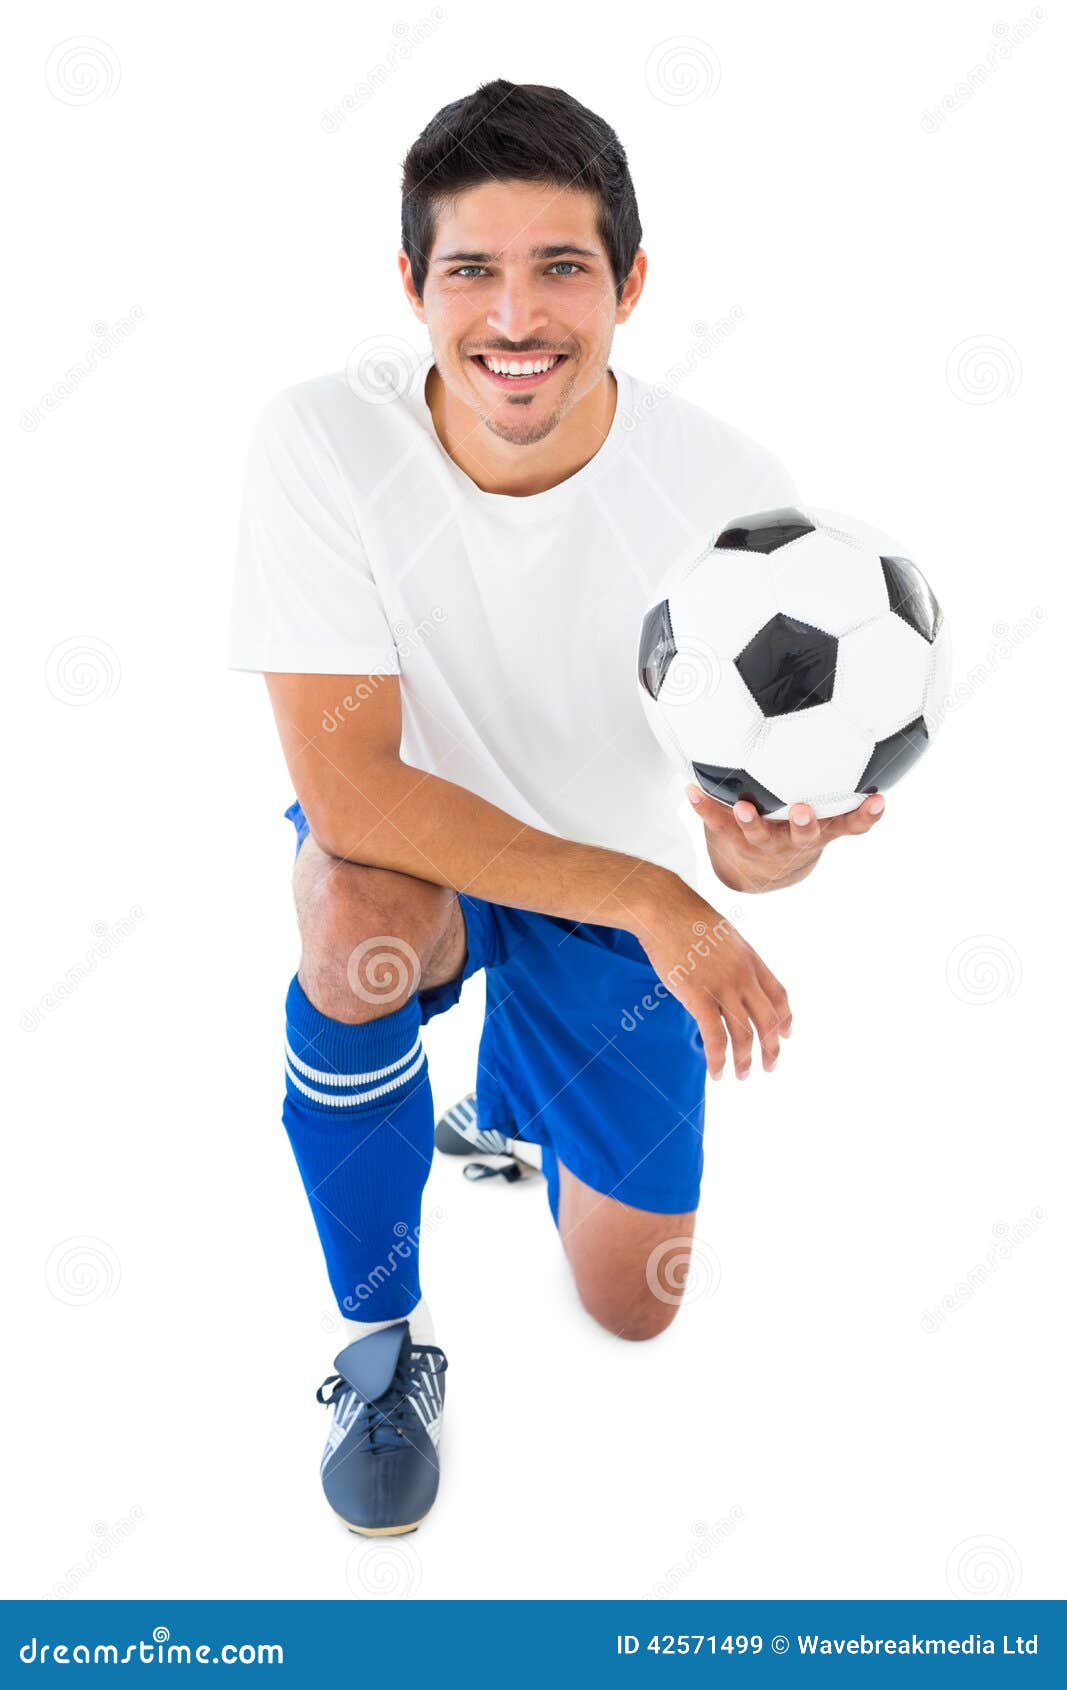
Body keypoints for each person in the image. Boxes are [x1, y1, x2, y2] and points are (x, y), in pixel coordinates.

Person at [227, 79, 886, 1538]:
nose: (514, 317)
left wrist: (749, 854)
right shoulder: (322, 445)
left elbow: (732, 842)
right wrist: (661, 900)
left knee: (629, 1307)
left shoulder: (727, 496)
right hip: (438, 868)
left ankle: (503, 1100)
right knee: (350, 919)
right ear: (413, 285)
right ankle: (382, 1346)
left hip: (608, 884)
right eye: (471, 268)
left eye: (561, 268)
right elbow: (347, 788)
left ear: (631, 284)